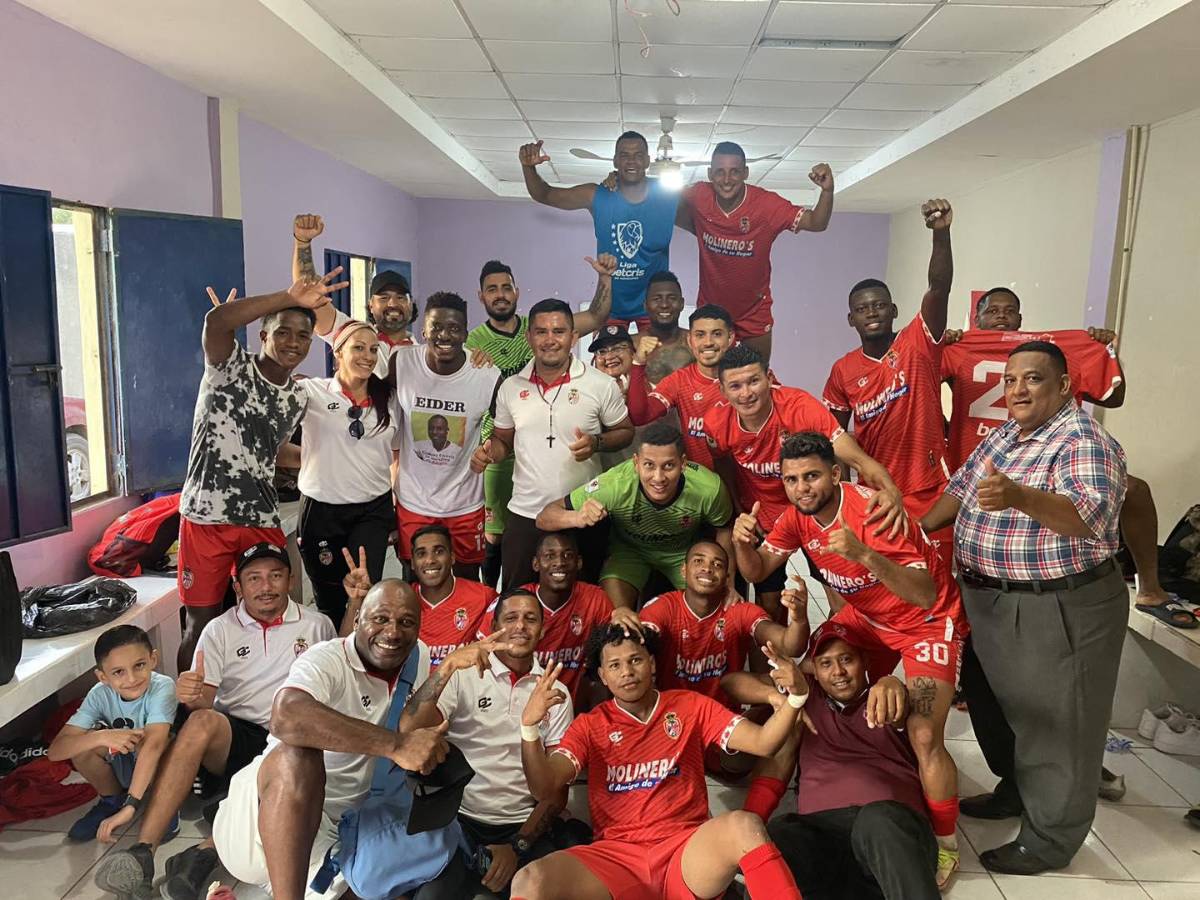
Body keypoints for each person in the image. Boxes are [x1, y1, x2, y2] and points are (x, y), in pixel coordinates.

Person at [921, 341, 1129, 875]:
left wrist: (1019, 497)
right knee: (996, 708)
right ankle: (1015, 790)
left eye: (1032, 379)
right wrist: (909, 533)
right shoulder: (1007, 436)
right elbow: (959, 492)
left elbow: (1088, 518)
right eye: (1010, 380)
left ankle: (1050, 839)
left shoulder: (1083, 440)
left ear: (1063, 386)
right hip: (989, 600)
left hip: (1056, 603)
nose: (1016, 390)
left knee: (1057, 724)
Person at [736, 431, 967, 887]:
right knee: (800, 682)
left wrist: (863, 554)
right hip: (866, 619)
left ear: (836, 473)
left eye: (811, 477)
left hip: (925, 621)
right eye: (791, 480)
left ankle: (945, 843)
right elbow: (757, 569)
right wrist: (743, 544)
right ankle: (766, 811)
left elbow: (925, 594)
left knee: (923, 733)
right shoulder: (796, 518)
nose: (801, 488)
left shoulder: (872, 513)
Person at [93, 545, 335, 900]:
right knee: (202, 721)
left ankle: (201, 854)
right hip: (240, 736)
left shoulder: (317, 625)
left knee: (287, 794)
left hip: (293, 738)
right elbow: (203, 702)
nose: (265, 586)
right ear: (238, 587)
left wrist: (356, 605)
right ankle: (143, 852)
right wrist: (190, 695)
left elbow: (341, 673)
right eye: (254, 578)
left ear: (291, 580)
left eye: (275, 576)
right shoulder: (219, 630)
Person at [941, 288, 1188, 625]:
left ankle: (1149, 587)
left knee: (1135, 489)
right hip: (988, 455)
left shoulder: (1055, 354)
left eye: (1009, 310)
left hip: (1049, 456)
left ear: (1020, 318)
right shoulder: (959, 350)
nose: (1001, 316)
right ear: (976, 318)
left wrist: (1107, 351)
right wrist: (941, 343)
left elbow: (1113, 398)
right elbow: (922, 385)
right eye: (993, 310)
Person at [512, 625, 808, 900]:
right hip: (618, 859)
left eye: (635, 660)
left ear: (652, 664)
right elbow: (545, 788)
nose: (627, 672)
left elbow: (764, 743)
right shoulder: (590, 726)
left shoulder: (689, 705)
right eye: (615, 665)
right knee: (530, 880)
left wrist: (796, 697)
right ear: (602, 675)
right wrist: (529, 728)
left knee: (744, 825)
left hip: (685, 851)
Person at [211, 580, 451, 900]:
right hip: (261, 822)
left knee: (391, 888)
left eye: (406, 622)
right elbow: (286, 715)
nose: (393, 632)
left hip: (332, 832)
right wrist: (395, 746)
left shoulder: (416, 656)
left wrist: (448, 668)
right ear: (357, 620)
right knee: (299, 755)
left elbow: (410, 726)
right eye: (380, 618)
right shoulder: (327, 659)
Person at [175, 270, 346, 673]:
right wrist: (289, 295)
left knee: (273, 617)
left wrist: (326, 459)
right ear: (264, 335)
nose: (293, 343)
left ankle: (266, 693)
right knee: (200, 623)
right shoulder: (230, 366)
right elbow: (217, 321)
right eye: (283, 333)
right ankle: (190, 705)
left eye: (302, 336)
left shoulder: (296, 397)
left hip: (260, 518)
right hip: (205, 517)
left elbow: (270, 449)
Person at [397, 589, 574, 899]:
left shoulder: (554, 691)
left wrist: (517, 846)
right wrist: (448, 665)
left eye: (530, 619)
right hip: (457, 820)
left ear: (543, 629)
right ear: (494, 627)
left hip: (522, 825)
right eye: (511, 618)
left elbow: (556, 793)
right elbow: (409, 729)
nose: (520, 626)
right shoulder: (464, 675)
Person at [706, 343, 905, 618]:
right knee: (769, 604)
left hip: (812, 512)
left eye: (753, 381)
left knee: (841, 600)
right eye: (735, 386)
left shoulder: (800, 407)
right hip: (763, 517)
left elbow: (855, 457)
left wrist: (890, 489)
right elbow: (724, 467)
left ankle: (839, 639)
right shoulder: (716, 423)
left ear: (769, 378)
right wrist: (740, 511)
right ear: (722, 390)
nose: (746, 393)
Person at [757, 621, 944, 900]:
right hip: (825, 838)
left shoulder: (887, 696)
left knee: (877, 820)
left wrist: (893, 683)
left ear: (865, 661)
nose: (838, 672)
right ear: (814, 670)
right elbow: (732, 683)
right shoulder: (805, 697)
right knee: (781, 834)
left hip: (892, 835)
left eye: (846, 660)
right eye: (826, 663)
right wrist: (783, 696)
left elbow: (909, 710)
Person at [468, 256, 617, 587]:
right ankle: (489, 596)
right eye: (492, 289)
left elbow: (595, 316)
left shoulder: (539, 322)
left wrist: (605, 278)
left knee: (582, 588)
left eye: (506, 287)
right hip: (508, 454)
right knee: (498, 545)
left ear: (517, 291)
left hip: (574, 491)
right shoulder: (473, 342)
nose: (500, 294)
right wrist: (487, 450)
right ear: (481, 296)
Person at [822, 200, 954, 545]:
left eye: (879, 305)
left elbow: (938, 288)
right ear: (851, 318)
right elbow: (835, 437)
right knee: (884, 572)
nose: (872, 313)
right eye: (862, 309)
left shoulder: (918, 342)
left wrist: (941, 234)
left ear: (894, 310)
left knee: (933, 572)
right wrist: (844, 495)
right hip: (875, 491)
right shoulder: (843, 370)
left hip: (929, 487)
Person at [277, 318, 398, 626]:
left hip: (372, 510)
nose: (368, 356)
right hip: (322, 512)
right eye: (359, 348)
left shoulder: (390, 398)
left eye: (373, 350)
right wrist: (312, 458)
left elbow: (396, 452)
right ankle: (332, 652)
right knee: (329, 599)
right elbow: (271, 441)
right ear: (338, 352)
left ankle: (361, 652)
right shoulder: (311, 392)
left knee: (364, 594)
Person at [537, 422, 733, 609]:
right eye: (649, 465)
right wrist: (577, 518)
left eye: (668, 466)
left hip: (682, 554)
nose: (658, 477)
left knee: (709, 608)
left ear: (683, 464)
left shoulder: (708, 488)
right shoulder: (615, 485)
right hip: (630, 552)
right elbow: (544, 517)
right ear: (636, 463)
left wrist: (728, 584)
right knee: (613, 615)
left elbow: (724, 529)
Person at [678, 143, 833, 361]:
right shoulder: (699, 195)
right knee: (710, 375)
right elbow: (660, 199)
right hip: (711, 309)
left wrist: (827, 191)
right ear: (710, 174)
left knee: (756, 374)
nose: (726, 179)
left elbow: (816, 223)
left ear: (746, 173)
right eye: (720, 172)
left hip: (753, 310)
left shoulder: (766, 205)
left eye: (734, 172)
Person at [392, 292, 500, 580]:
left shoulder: (486, 375)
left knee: (466, 581)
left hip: (464, 502)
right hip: (414, 501)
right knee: (415, 580)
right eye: (436, 326)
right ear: (423, 330)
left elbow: (506, 431)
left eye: (454, 328)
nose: (444, 335)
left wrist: (491, 450)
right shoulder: (401, 363)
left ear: (466, 333)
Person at [519, 133, 678, 327]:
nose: (631, 161)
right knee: (602, 349)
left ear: (647, 160)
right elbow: (545, 194)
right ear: (615, 161)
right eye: (625, 155)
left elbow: (705, 214)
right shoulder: (597, 196)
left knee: (657, 348)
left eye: (638, 155)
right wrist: (528, 168)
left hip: (655, 310)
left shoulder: (669, 197)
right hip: (608, 308)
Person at [48, 625, 177, 844]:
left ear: (153, 660)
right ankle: (111, 801)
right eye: (118, 672)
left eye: (139, 665)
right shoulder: (99, 695)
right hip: (127, 762)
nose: (131, 678)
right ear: (103, 676)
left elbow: (154, 745)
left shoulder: (162, 686)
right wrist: (101, 737)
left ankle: (163, 803)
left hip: (159, 765)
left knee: (149, 741)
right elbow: (55, 751)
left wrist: (131, 806)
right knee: (83, 745)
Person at [480, 532, 614, 706]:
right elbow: (481, 652)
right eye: (550, 556)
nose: (559, 562)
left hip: (569, 701)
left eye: (567, 555)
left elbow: (614, 646)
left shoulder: (595, 599)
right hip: (516, 696)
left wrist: (621, 614)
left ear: (579, 562)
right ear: (536, 564)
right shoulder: (512, 603)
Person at [626, 304, 737, 469]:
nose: (708, 342)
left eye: (717, 334)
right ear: (690, 340)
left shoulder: (748, 376)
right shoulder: (680, 380)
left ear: (730, 338)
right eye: (700, 335)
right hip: (700, 480)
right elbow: (639, 416)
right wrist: (638, 362)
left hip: (747, 479)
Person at [294, 213, 417, 355]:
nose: (392, 303)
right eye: (384, 298)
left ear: (411, 305)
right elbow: (308, 292)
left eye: (401, 297)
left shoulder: (424, 355)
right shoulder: (351, 335)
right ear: (371, 305)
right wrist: (302, 242)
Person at [404, 524, 497, 670]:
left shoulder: (484, 597)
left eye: (439, 552)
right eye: (421, 554)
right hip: (414, 684)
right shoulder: (402, 601)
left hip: (466, 683)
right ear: (413, 563)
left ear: (452, 557)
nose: (430, 560)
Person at [635, 270, 694, 385]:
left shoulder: (695, 342)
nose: (664, 305)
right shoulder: (632, 344)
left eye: (672, 298)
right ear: (645, 305)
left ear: (682, 304)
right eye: (657, 299)